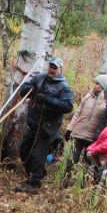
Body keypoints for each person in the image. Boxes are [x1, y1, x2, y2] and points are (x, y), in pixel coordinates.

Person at [14, 56, 74, 192]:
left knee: (38, 154)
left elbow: (68, 106)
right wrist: (31, 89)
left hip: (48, 126)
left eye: (55, 68)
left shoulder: (64, 86)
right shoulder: (40, 77)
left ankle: (34, 183)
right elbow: (24, 88)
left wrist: (49, 100)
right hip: (34, 122)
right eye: (51, 66)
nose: (52, 70)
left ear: (60, 70)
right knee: (24, 149)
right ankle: (36, 174)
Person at [64, 73, 107, 170]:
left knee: (87, 165)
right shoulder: (88, 96)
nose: (95, 85)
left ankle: (81, 184)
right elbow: (78, 113)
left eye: (98, 83)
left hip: (92, 138)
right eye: (95, 83)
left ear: (103, 86)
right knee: (71, 160)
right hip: (78, 133)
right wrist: (69, 128)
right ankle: (64, 181)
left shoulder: (106, 101)